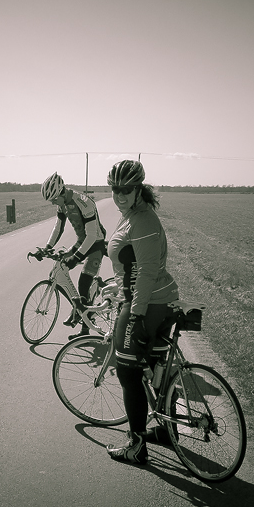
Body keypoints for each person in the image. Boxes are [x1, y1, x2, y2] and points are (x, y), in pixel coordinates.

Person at [104, 160, 179, 464]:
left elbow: (146, 272)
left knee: (127, 371)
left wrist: (134, 314)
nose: (119, 194)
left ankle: (136, 445)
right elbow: (132, 265)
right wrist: (116, 284)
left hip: (146, 304)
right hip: (154, 300)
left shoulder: (143, 220)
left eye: (126, 189)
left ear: (138, 189)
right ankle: (167, 430)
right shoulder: (132, 215)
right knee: (158, 367)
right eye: (115, 189)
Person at [40, 172, 107, 339]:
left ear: (62, 192)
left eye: (54, 199)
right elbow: (58, 227)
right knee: (59, 269)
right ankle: (78, 307)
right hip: (82, 241)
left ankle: (85, 328)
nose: (53, 202)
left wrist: (76, 257)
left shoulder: (84, 203)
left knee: (83, 281)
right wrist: (47, 247)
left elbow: (92, 236)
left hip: (95, 243)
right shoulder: (61, 202)